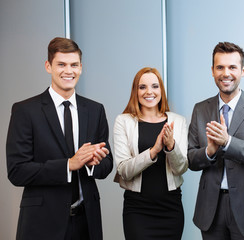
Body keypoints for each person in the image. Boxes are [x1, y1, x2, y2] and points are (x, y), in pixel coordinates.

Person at [6, 37, 113, 240]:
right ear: (48, 66)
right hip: (42, 223)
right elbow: (17, 171)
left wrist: (92, 163)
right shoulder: (25, 111)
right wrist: (69, 165)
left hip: (86, 222)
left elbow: (107, 165)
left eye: (74, 65)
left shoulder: (95, 110)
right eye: (61, 64)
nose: (68, 71)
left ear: (81, 68)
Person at [188, 42, 244, 240]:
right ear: (212, 71)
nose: (225, 73)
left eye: (232, 67)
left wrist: (228, 143)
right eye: (220, 67)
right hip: (211, 208)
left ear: (243, 70)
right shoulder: (200, 109)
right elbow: (190, 159)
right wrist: (209, 151)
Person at [113, 67, 188, 240]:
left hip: (171, 208)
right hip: (137, 210)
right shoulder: (123, 121)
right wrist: (153, 151)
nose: (149, 92)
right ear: (135, 91)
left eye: (155, 86)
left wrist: (171, 147)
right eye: (142, 87)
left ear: (161, 90)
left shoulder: (178, 121)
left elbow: (181, 168)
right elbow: (124, 170)